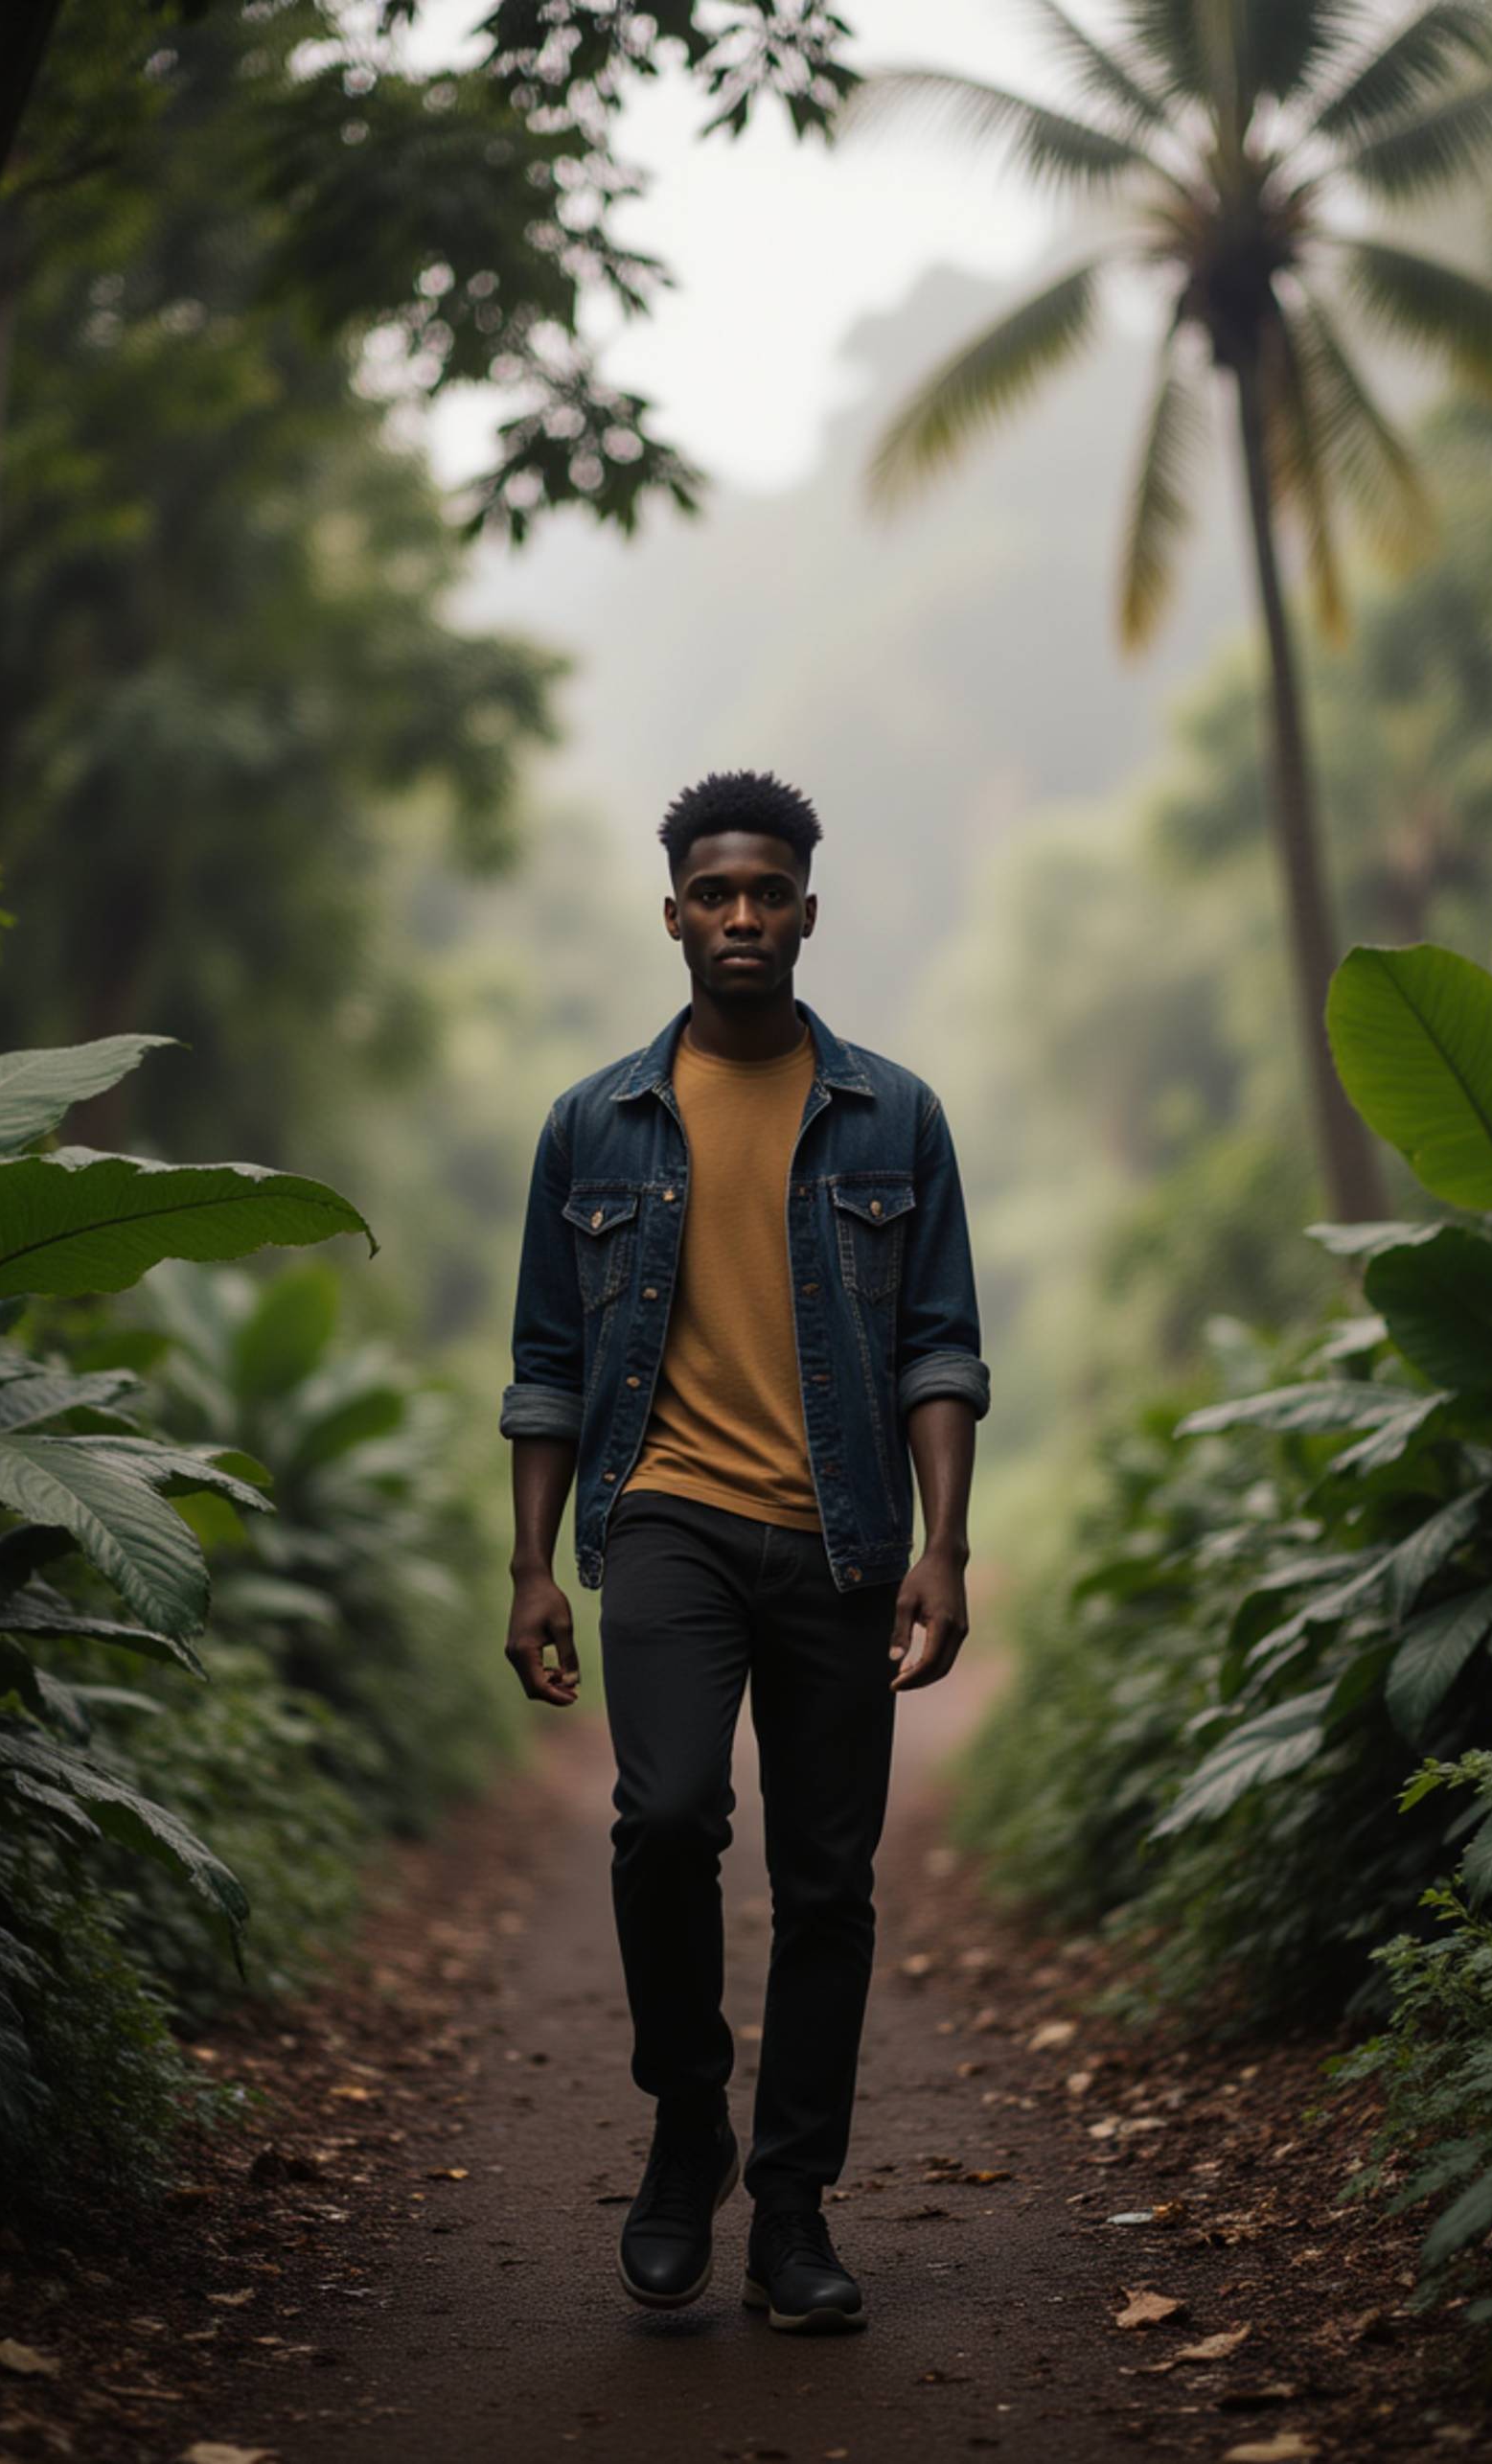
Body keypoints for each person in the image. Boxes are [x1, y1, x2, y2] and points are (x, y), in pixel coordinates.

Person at [498, 768, 990, 2335]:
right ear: (673, 915)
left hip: (843, 1537)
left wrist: (947, 1545)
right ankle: (686, 2117)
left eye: (767, 893)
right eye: (715, 894)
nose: (742, 918)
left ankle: (789, 2206)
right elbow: (547, 1366)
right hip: (664, 1520)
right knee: (661, 1821)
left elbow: (936, 1347)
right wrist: (528, 1566)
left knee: (829, 1883)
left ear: (806, 914)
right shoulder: (593, 1124)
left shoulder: (894, 1114)